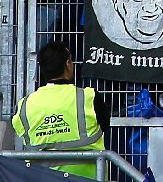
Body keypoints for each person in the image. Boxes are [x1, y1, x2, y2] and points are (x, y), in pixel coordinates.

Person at [13, 40, 108, 177]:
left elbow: (20, 132)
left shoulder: (24, 105)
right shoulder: (89, 97)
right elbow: (105, 126)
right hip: (88, 178)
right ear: (68, 64)